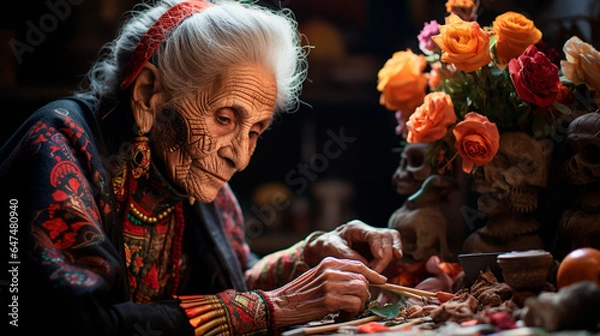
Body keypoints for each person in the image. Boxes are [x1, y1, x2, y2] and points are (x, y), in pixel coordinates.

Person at [0, 0, 403, 335]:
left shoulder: (190, 167)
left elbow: (232, 279)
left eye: (255, 131)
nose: (240, 157)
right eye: (225, 118)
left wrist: (311, 255)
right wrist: (271, 308)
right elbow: (73, 325)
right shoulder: (59, 145)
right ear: (148, 94)